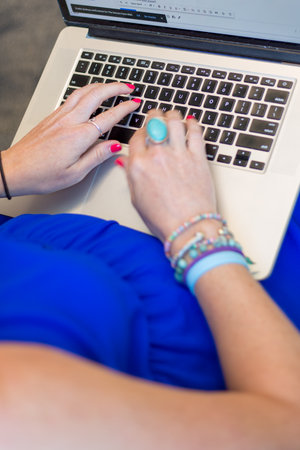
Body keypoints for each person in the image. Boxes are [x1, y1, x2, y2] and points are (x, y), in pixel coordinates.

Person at [0, 81, 299, 449]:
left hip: (37, 228)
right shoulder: (18, 409)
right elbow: (288, 428)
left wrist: (8, 170)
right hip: (223, 315)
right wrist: (193, 229)